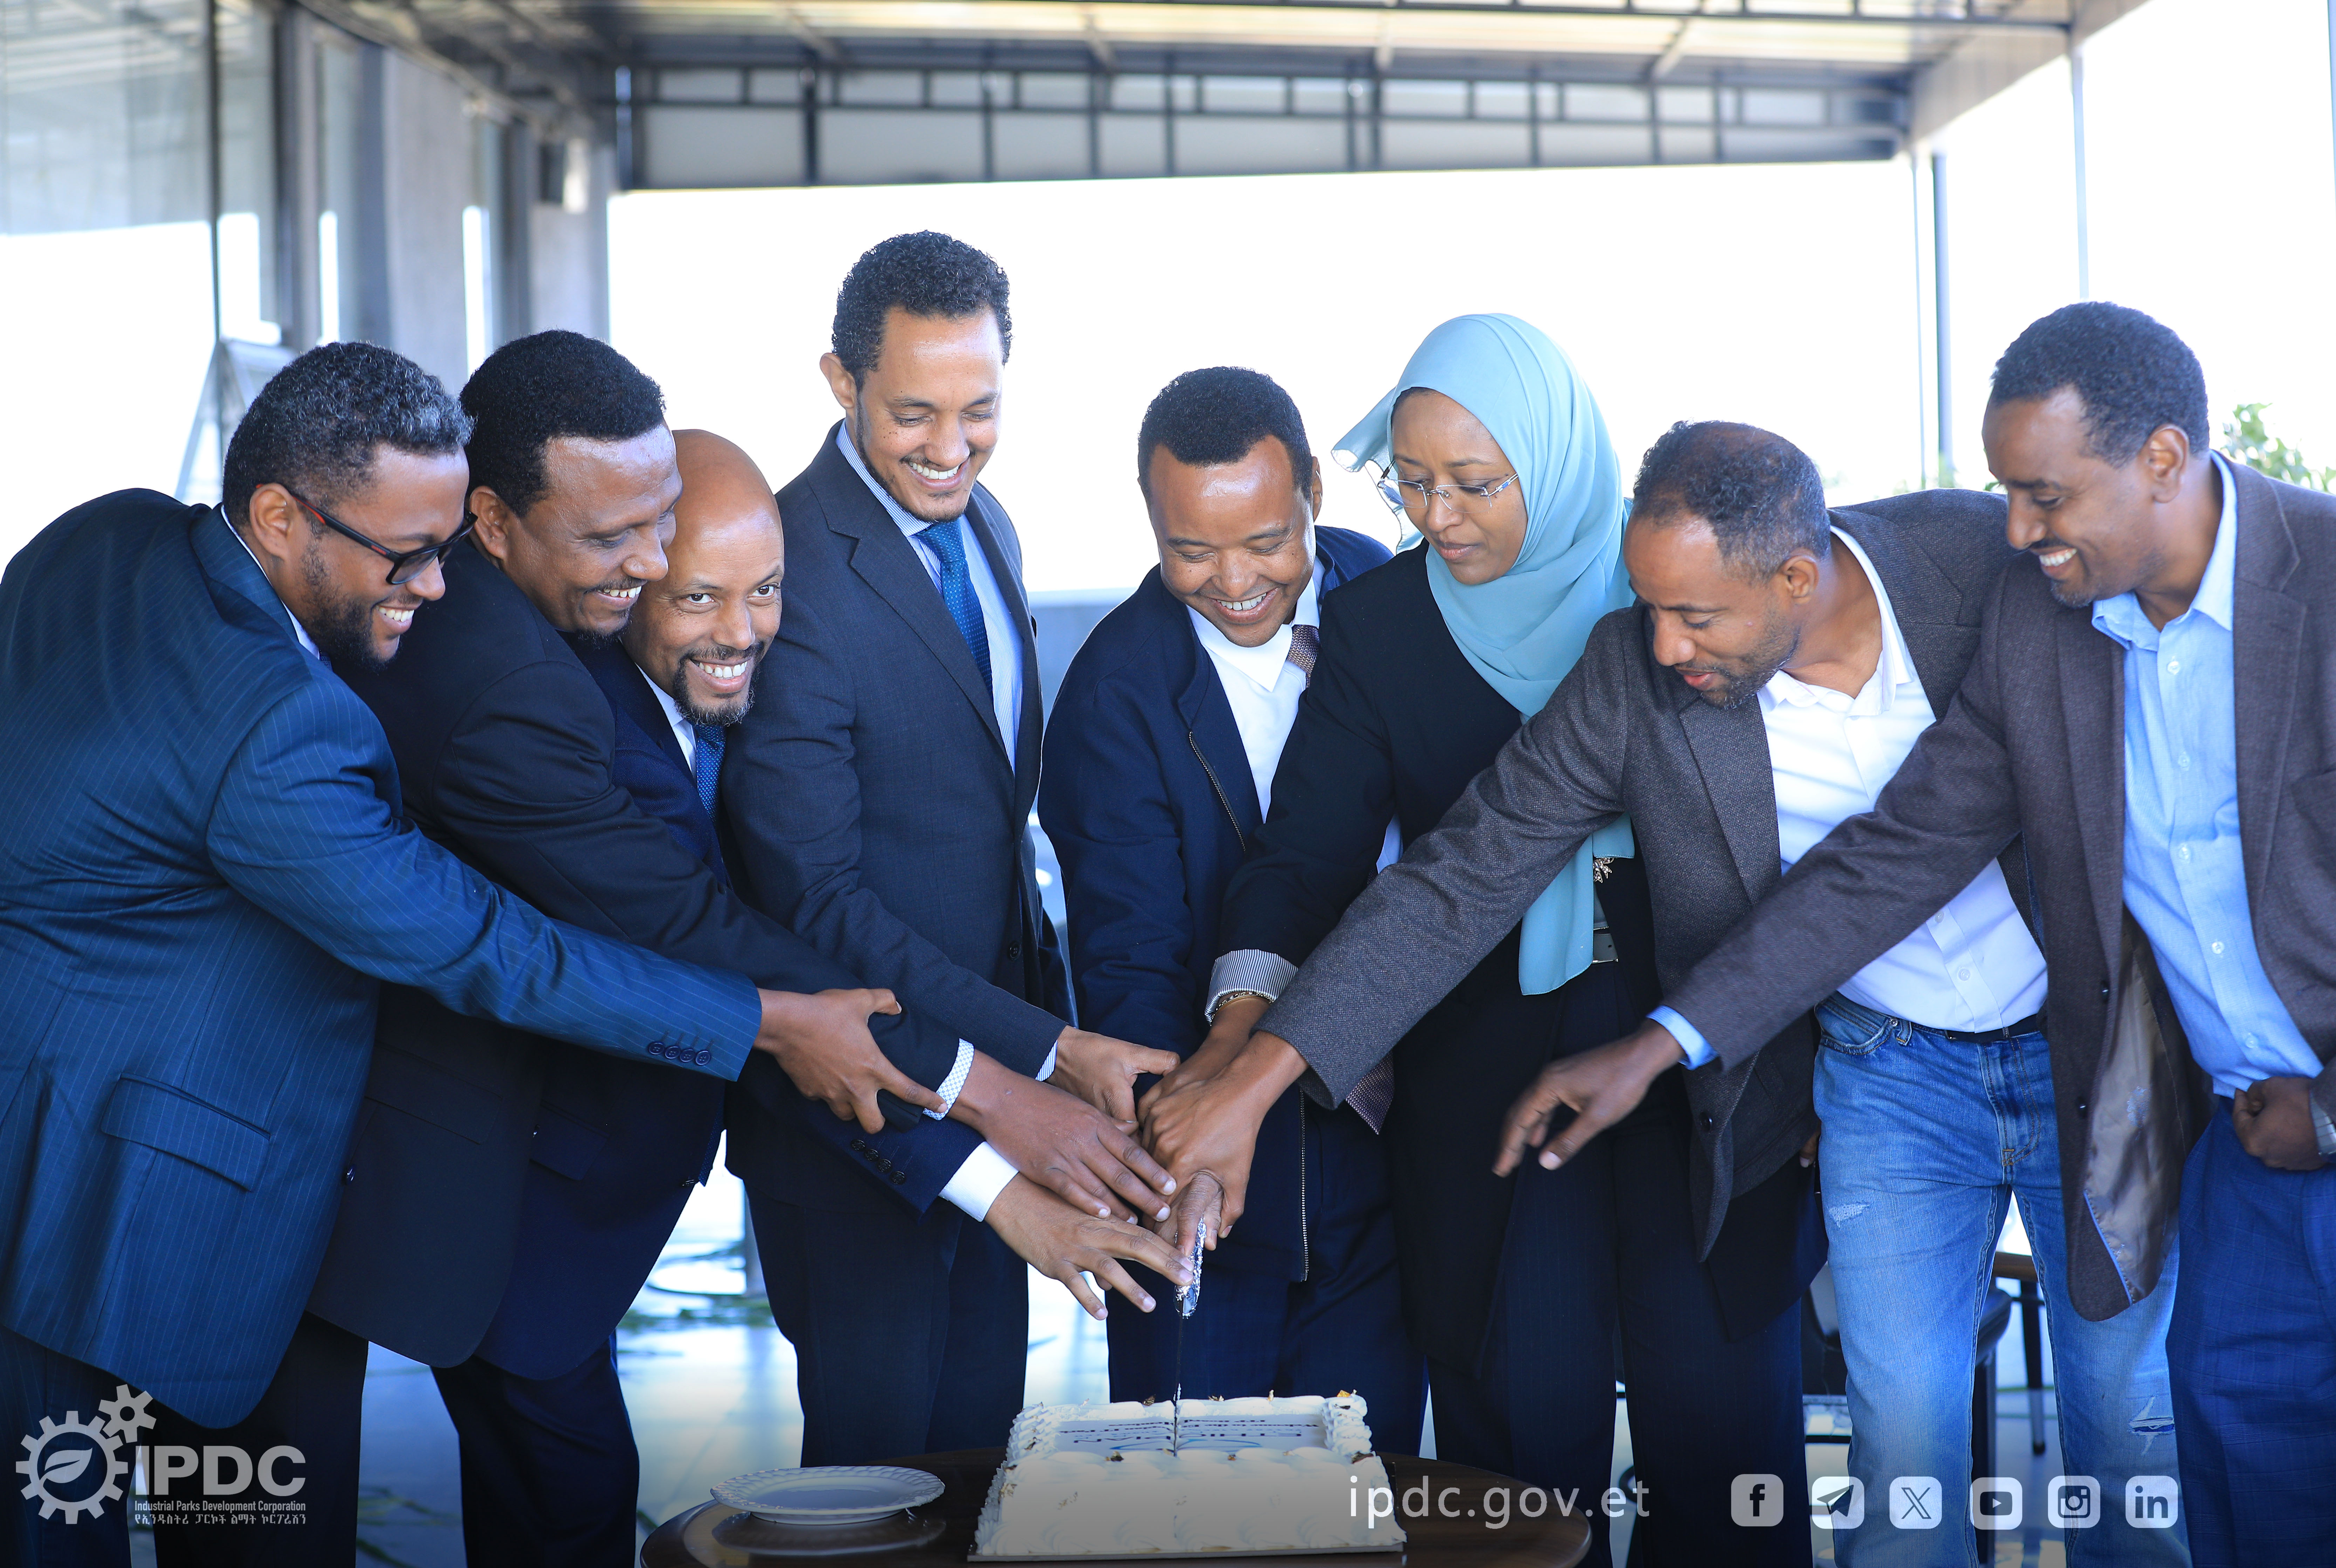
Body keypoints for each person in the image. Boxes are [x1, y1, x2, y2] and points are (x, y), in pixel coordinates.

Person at [1201, 415, 2182, 1565]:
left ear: (1797, 578)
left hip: (2081, 1048)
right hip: (1890, 1075)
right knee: (1904, 1457)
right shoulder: (1635, 672)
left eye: (1697, 617)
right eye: (1651, 607)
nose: (1665, 646)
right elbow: (1459, 876)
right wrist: (1254, 1079)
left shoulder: (1980, 564)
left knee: (2126, 1429)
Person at [303, 338, 1181, 1566]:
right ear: (494, 524)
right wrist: (999, 1102)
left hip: (576, 1171)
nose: (654, 566)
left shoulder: (580, 628)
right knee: (580, 1503)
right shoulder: (521, 691)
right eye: (634, 551)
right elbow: (726, 955)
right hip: (505, 1197)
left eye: (751, 583)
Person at [0, 343, 832, 1568]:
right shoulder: (278, 728)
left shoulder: (104, 537)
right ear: (280, 517)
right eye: (406, 556)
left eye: (446, 546)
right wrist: (763, 1019)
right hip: (158, 1202)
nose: (437, 588)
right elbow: (490, 949)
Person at [1515, 302, 2332, 1563]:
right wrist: (1668, 1040)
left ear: (2165, 459)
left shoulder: (2308, 583)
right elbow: (1899, 852)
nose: (2017, 531)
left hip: (2182, 1093)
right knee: (2178, 1478)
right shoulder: (2056, 618)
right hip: (2182, 1131)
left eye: (2045, 496)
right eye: (2007, 494)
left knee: (2143, 1449)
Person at [1142, 316, 1801, 1564]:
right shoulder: (1384, 626)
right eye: (1411, 482)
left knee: (1724, 1446)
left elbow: (1812, 842)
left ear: (1551, 460)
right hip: (1487, 1080)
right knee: (1517, 1459)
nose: (1437, 516)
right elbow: (1304, 863)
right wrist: (1235, 1045)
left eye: (1475, 484)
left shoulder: (1677, 589)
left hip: (1700, 1057)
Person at [725, 231, 1181, 1462]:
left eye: (980, 411)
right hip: (864, 1100)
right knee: (877, 1473)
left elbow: (988, 819)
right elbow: (817, 902)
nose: (951, 446)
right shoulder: (786, 567)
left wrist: (1044, 1043)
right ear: (841, 381)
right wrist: (1049, 1050)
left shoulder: (989, 525)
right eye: (914, 413)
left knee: (981, 1448)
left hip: (997, 1084)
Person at [1039, 367, 1422, 1446]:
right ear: (1150, 519)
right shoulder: (1113, 694)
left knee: (1368, 1484)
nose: (1237, 581)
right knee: (1199, 1487)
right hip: (1205, 1166)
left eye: (1266, 541)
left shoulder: (1387, 593)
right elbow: (1129, 966)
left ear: (1314, 495)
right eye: (1192, 551)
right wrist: (1191, 1154)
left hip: (1393, 1149)